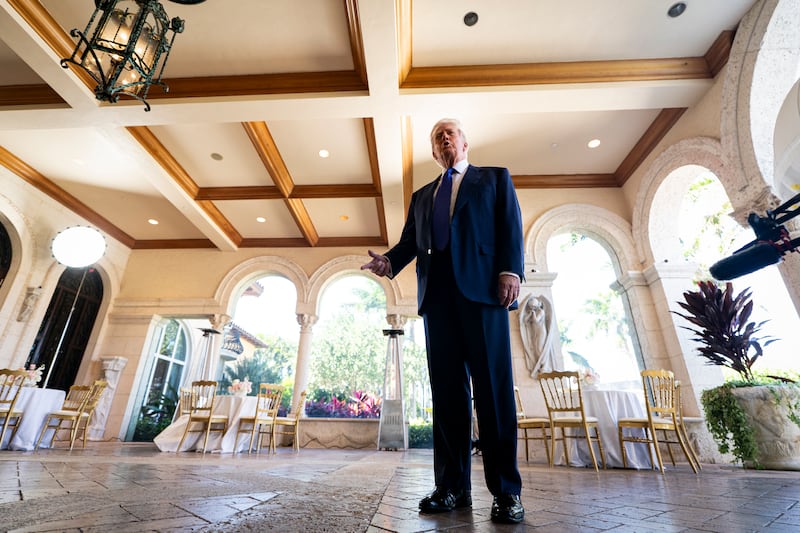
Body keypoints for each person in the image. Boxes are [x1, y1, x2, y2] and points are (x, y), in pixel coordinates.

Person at [361, 118, 525, 524]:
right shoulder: (422, 196)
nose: (444, 138)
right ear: (434, 152)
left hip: (483, 296)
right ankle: (452, 488)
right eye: (438, 137)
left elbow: (510, 227)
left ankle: (506, 493)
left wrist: (511, 270)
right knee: (448, 396)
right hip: (438, 301)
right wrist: (388, 261)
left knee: (493, 394)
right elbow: (407, 245)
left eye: (450, 132)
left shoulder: (494, 179)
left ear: (465, 143)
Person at [519, 293, 558, 377]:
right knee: (536, 349)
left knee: (540, 349)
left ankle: (545, 366)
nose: (532, 308)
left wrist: (532, 314)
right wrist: (529, 314)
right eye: (530, 307)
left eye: (533, 306)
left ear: (537, 305)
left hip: (541, 332)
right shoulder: (532, 312)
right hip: (535, 333)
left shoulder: (541, 311)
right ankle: (540, 366)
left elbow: (536, 320)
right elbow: (525, 321)